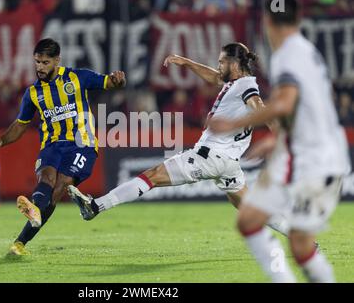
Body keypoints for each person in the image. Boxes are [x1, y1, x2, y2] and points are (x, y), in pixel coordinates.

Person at [68, 43, 289, 236]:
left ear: (234, 63)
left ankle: (95, 206)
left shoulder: (246, 86)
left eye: (222, 62)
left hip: (209, 156)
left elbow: (259, 106)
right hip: (229, 163)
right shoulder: (236, 84)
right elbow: (214, 77)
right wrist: (185, 62)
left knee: (152, 176)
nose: (219, 65)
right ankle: (297, 234)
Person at [209, 0, 351, 283]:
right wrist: (282, 137)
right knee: (262, 226)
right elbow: (311, 103)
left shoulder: (287, 55)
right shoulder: (305, 51)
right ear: (298, 18)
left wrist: (233, 123)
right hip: (310, 151)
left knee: (291, 240)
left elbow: (285, 103)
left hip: (314, 159)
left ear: (267, 21)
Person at [0, 38, 126, 255]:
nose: (39, 67)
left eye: (45, 62)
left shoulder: (78, 77)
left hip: (82, 145)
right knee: (46, 179)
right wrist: (0, 142)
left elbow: (110, 83)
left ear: (57, 60)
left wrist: (118, 80)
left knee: (60, 186)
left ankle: (22, 238)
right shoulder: (33, 93)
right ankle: (28, 225)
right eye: (37, 62)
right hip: (51, 145)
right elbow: (20, 125)